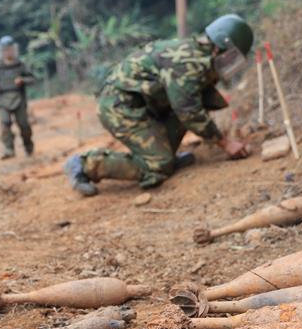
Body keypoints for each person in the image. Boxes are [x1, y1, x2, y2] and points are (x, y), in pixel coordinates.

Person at [64, 14, 253, 196]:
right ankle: (85, 164)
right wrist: (225, 143)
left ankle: (165, 155)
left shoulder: (196, 55)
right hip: (119, 107)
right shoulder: (188, 63)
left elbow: (189, 103)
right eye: (232, 57)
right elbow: (188, 111)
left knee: (191, 107)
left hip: (143, 104)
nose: (231, 63)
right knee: (158, 165)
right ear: (220, 47)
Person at [0, 36, 35, 159]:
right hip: (3, 98)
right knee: (4, 124)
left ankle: (28, 146)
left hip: (19, 98)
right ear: (1, 51)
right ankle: (9, 150)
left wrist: (22, 80)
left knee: (23, 125)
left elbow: (32, 79)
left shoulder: (21, 64)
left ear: (14, 50)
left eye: (9, 49)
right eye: (5, 50)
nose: (7, 52)